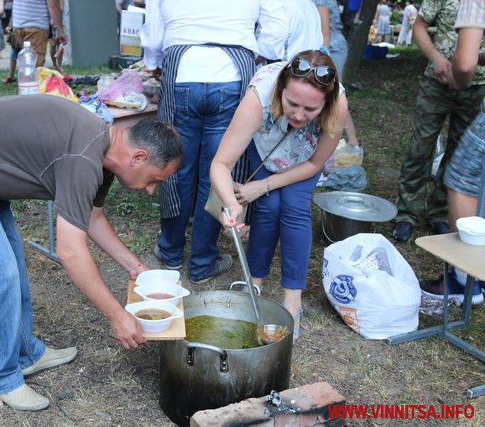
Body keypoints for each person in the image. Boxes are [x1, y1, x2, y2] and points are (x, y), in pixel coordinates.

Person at [0, 95, 182, 411]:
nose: (150, 190)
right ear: (137, 157)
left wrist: (135, 268)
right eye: (154, 181)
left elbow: (92, 217)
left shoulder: (103, 152)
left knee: (11, 268)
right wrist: (116, 315)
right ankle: (0, 378)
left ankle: (26, 354)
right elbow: (69, 249)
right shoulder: (83, 157)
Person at [210, 50, 348, 341]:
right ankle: (254, 282)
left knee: (294, 207)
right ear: (280, 90)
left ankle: (292, 301)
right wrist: (232, 204)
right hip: (267, 151)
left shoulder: (339, 106)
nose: (299, 115)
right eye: (292, 104)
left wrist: (264, 185)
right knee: (269, 208)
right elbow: (220, 164)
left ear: (327, 103)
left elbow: (313, 164)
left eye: (310, 110)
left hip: (303, 159)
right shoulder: (258, 98)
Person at [140, 0, 277, 284]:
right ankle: (203, 260)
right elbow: (275, 33)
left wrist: (153, 63)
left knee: (174, 163)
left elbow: (153, 35)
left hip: (181, 70)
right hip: (234, 71)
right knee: (220, 170)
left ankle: (170, 250)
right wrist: (256, 50)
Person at [392, 0, 485, 242]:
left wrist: (472, 62)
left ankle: (440, 213)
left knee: (460, 154)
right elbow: (420, 27)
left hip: (476, 87)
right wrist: (435, 57)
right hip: (437, 81)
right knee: (420, 147)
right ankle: (406, 214)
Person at [420, 0, 485, 304]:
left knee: (461, 176)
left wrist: (460, 79)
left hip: (468, 88)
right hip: (439, 84)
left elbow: (465, 64)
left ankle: (466, 281)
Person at [314, 0, 360, 146]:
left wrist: (323, 59)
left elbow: (325, 31)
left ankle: (352, 142)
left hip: (332, 49)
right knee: (331, 95)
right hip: (329, 48)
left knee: (334, 95)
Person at [12, 0, 67, 69]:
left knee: (26, 63)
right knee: (36, 65)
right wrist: (60, 30)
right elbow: (53, 5)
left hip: (18, 23)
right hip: (36, 24)